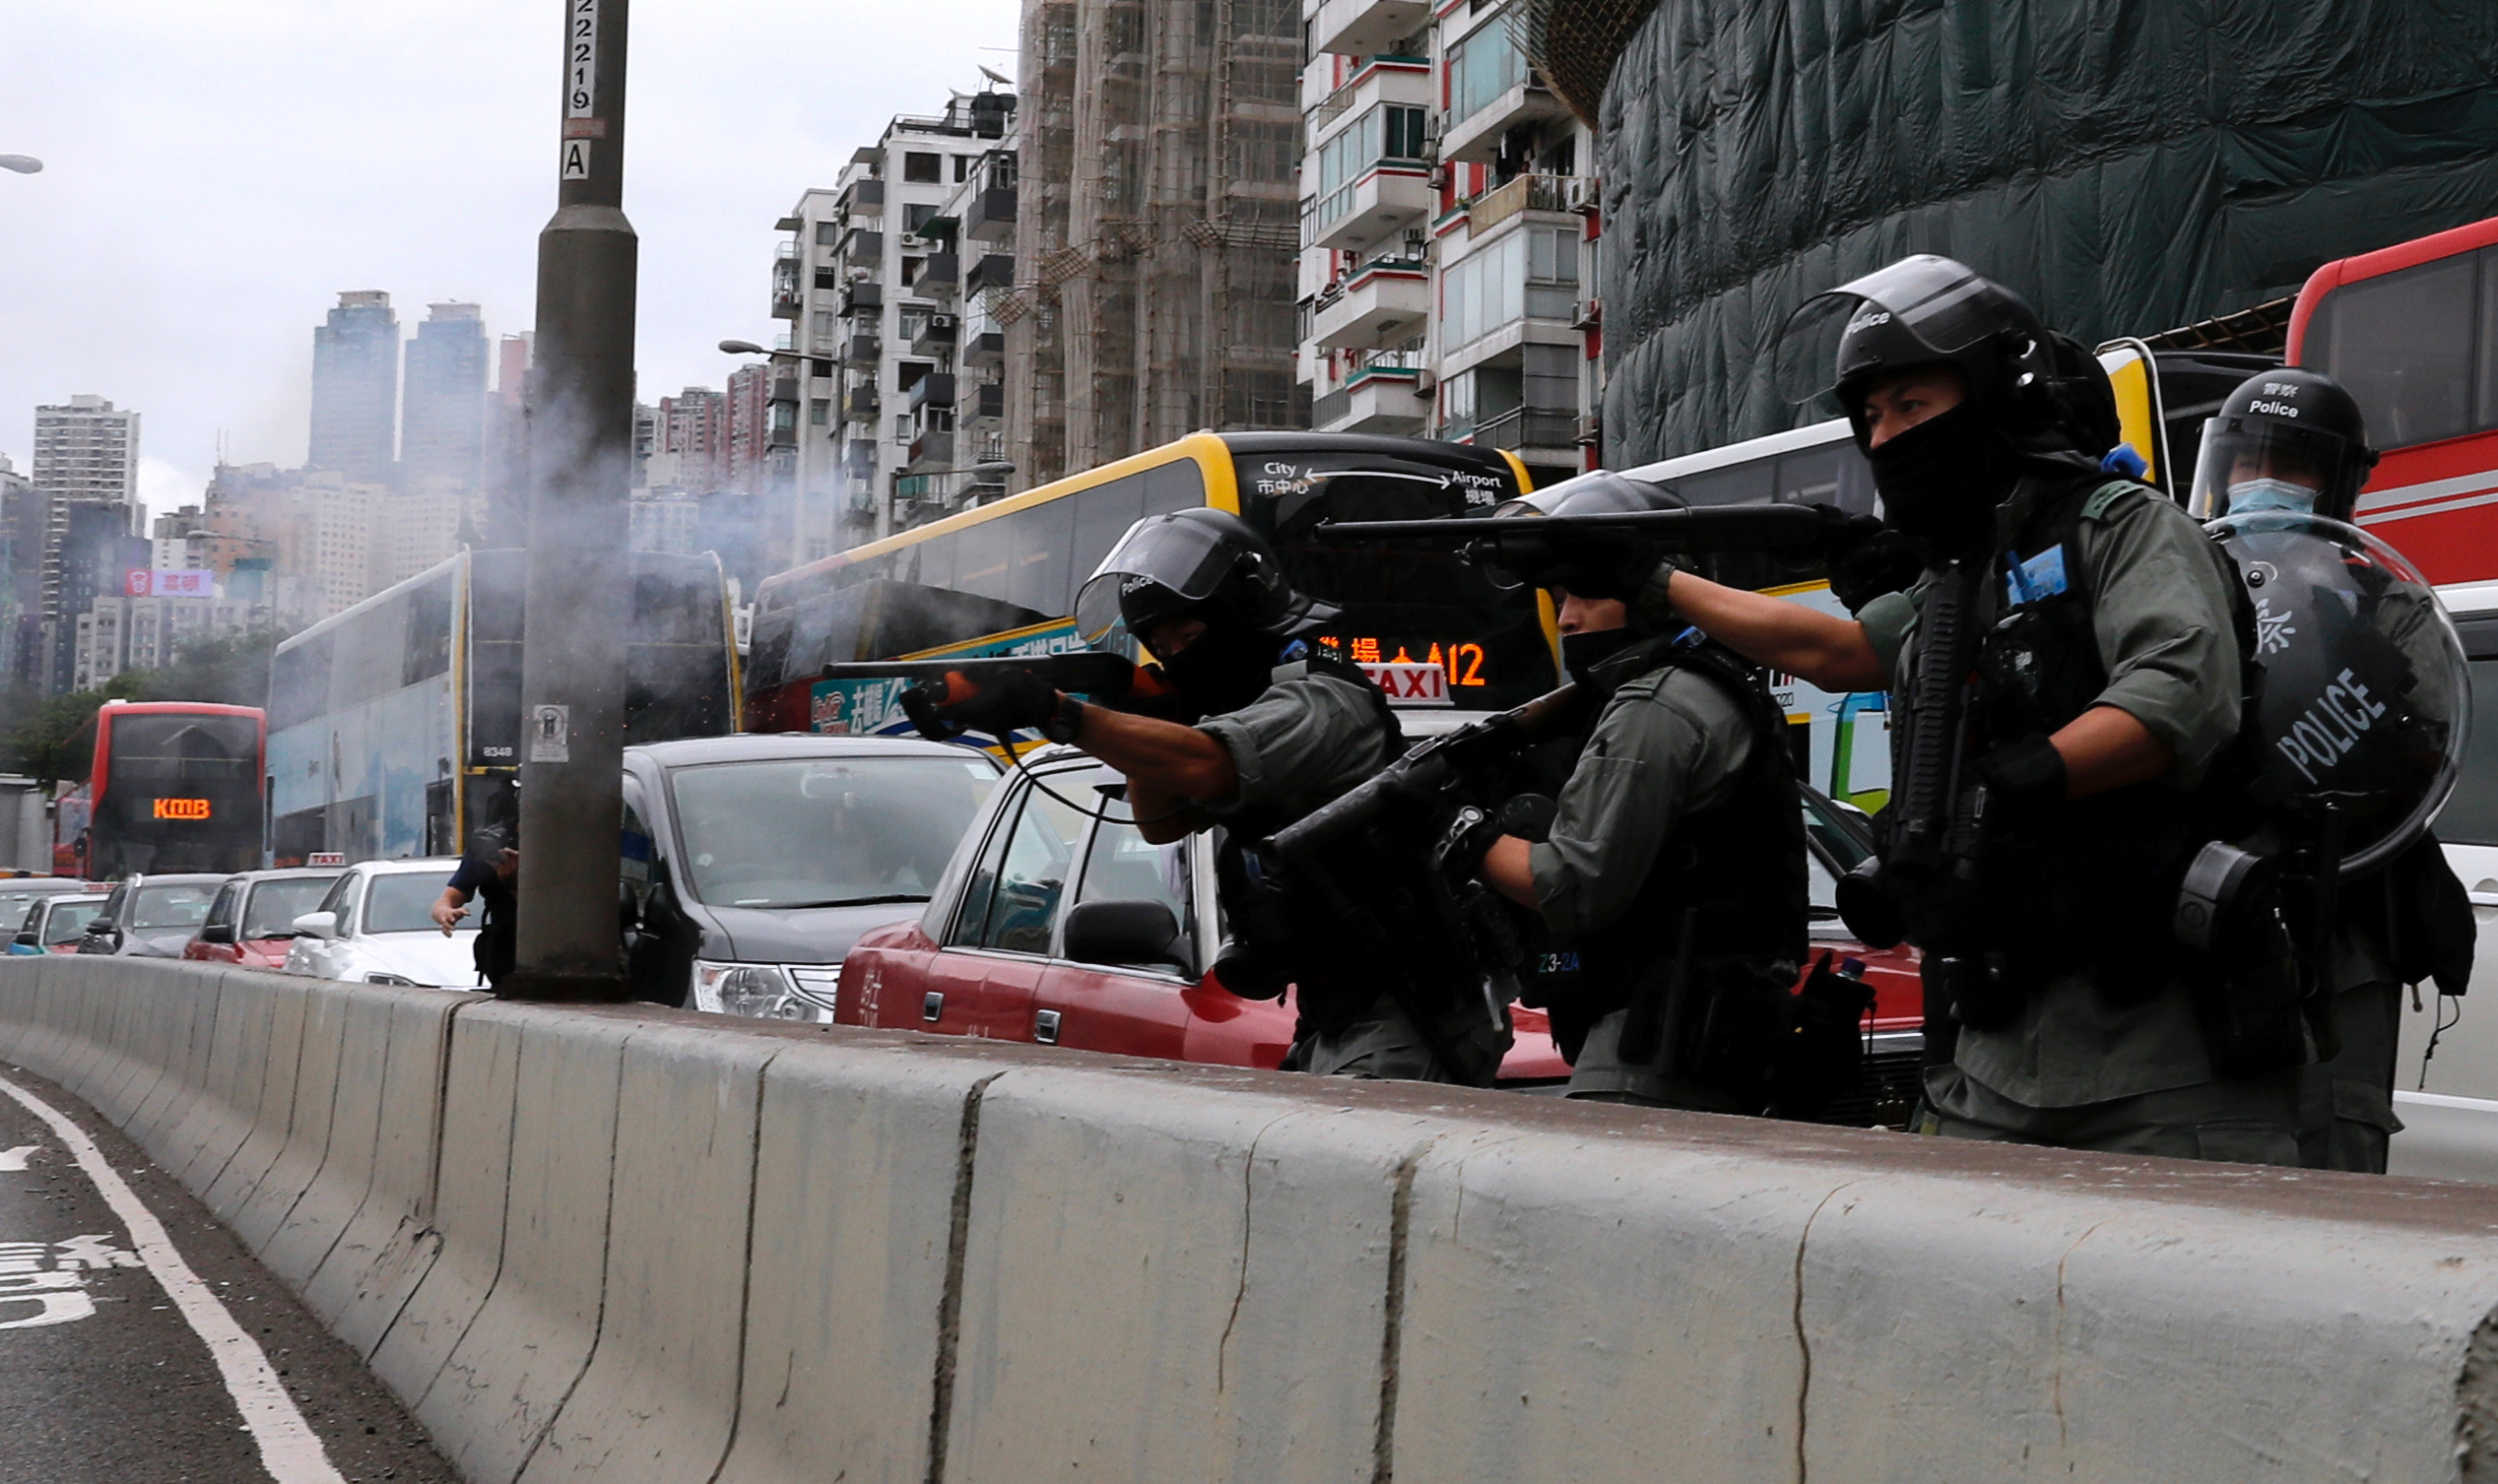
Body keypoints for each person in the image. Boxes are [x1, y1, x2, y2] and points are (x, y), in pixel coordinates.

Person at [1594, 253, 2294, 1162]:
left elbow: (2179, 693)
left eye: (1913, 407)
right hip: (1994, 1050)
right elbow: (1832, 649)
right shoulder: (1958, 575)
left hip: (2158, 1049)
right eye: (1872, 417)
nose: (1886, 439)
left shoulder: (2119, 525)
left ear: (1998, 396)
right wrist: (1651, 581)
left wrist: (2020, 779)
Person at [917, 506, 1509, 1083]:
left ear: (1241, 617)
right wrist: (1147, 710)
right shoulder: (1237, 705)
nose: (1177, 657)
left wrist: (1057, 713)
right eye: (1161, 646)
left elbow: (1209, 765)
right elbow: (1162, 821)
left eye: (1188, 635)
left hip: (1408, 1007)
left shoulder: (1322, 702)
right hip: (1343, 1007)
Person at [2186, 367, 2474, 1171]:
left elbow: (2430, 737)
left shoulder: (2385, 601)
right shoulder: (2184, 589)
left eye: (2294, 467)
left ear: (2336, 485)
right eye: (2246, 464)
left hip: (2345, 917)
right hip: (2211, 904)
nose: (2262, 483)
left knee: (2337, 1143)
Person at [1467, 472, 1820, 1112]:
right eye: (1558, 595)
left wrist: (1462, 833)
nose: (1568, 617)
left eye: (1589, 594)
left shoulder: (1654, 704)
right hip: (1684, 1032)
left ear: (1646, 594)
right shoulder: (1701, 682)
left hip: (1653, 1046)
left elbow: (1571, 885)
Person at [432, 823, 518, 989]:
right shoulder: (492, 845)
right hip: (506, 954)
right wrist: (445, 913)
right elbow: (447, 899)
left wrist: (517, 879)